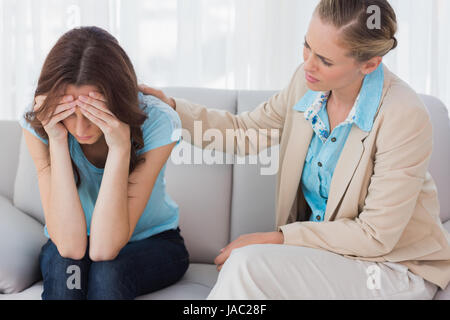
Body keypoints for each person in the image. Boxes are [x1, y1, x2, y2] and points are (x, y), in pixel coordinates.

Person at [139, 0, 450, 299]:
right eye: (307, 46)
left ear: (369, 64)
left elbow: (375, 235)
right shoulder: (307, 85)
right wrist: (173, 110)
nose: (308, 64)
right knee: (244, 265)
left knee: (248, 265)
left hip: (391, 268)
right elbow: (245, 132)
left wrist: (280, 238)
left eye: (325, 60)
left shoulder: (404, 115)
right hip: (330, 258)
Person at [20, 26, 189, 300]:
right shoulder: (42, 122)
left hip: (152, 241)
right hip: (70, 239)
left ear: (117, 99)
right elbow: (72, 247)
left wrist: (121, 147)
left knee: (107, 272)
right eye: (70, 114)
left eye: (93, 111)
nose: (81, 127)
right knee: (68, 271)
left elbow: (103, 250)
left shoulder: (158, 122)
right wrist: (58, 139)